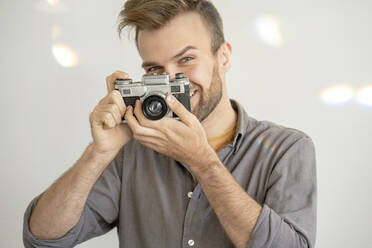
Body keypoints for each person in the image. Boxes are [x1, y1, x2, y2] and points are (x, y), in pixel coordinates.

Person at [23, 0, 317, 247]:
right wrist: (98, 152)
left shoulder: (286, 149)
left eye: (186, 59)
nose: (172, 81)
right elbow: (43, 238)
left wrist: (203, 163)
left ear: (223, 57)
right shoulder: (132, 150)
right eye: (155, 69)